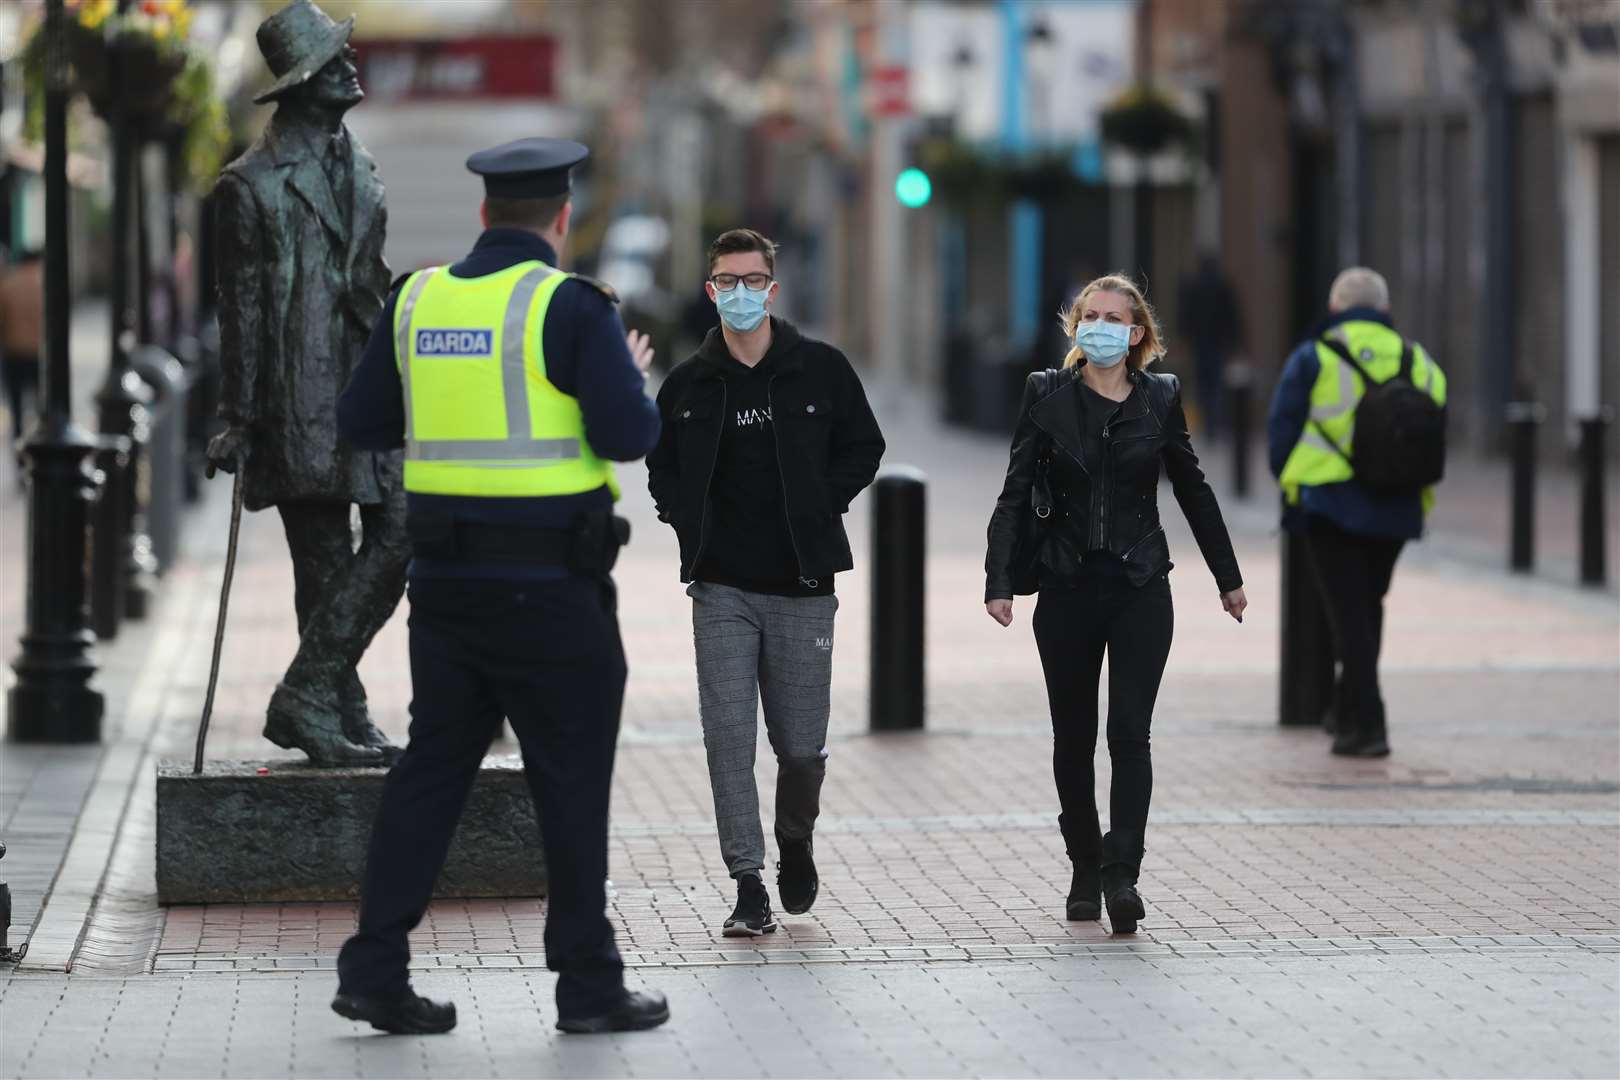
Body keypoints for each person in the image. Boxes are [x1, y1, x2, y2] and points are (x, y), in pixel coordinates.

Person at [330, 136, 668, 1036]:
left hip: (444, 592)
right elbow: (631, 436)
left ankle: (373, 967)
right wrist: (629, 379)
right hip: (554, 592)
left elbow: (362, 423)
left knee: (429, 775)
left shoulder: (417, 300)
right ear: (561, 219)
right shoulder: (571, 306)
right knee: (569, 781)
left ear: (484, 215)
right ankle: (588, 987)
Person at [983, 273, 1246, 934]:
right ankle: (1083, 865)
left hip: (1139, 588)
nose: (1098, 326)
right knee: (1073, 738)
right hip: (1067, 588)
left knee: (1129, 732)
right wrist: (999, 580)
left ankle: (1122, 874)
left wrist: (1227, 576)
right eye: (1088, 315)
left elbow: (1193, 490)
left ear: (1136, 334)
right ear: (1077, 328)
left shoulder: (1161, 398)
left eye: (1112, 317)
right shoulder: (1045, 395)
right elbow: (1013, 492)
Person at [646, 228, 885, 937]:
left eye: (753, 280)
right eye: (727, 281)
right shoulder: (689, 383)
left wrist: (820, 505)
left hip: (803, 585)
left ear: (772, 289)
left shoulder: (820, 370)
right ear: (710, 289)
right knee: (727, 738)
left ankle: (794, 839)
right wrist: (682, 519)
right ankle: (747, 882)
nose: (740, 293)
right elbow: (660, 467)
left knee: (801, 748)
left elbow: (864, 446)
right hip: (719, 586)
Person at [205, 0, 408, 766]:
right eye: (336, 57)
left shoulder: (358, 161)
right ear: (304, 81)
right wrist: (236, 415)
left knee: (401, 531)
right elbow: (242, 309)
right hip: (299, 396)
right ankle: (338, 712)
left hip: (367, 386)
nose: (352, 64)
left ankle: (308, 695)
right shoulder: (249, 186)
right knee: (323, 562)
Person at [1267, 267, 1447, 758]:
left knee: (1350, 617)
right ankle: (1346, 712)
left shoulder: (1315, 356)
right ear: (1385, 310)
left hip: (1330, 505)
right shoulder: (1421, 362)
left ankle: (1369, 723)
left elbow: (1281, 433)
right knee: (1366, 610)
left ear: (1335, 309)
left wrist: (1291, 484)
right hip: (1398, 506)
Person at [1177, 252, 1243, 438]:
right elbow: (1232, 317)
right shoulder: (1223, 286)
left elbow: (1186, 316)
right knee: (1215, 386)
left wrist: (1185, 338)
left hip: (1200, 344)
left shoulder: (1194, 286)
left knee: (1202, 386)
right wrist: (1234, 342)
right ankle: (1214, 424)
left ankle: (1208, 426)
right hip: (1218, 344)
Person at [0, 250, 44, 480]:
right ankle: (38, 461)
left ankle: (20, 463)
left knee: (17, 414)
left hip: (14, 354)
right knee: (41, 412)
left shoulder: (8, 284)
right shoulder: (43, 283)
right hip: (39, 356)